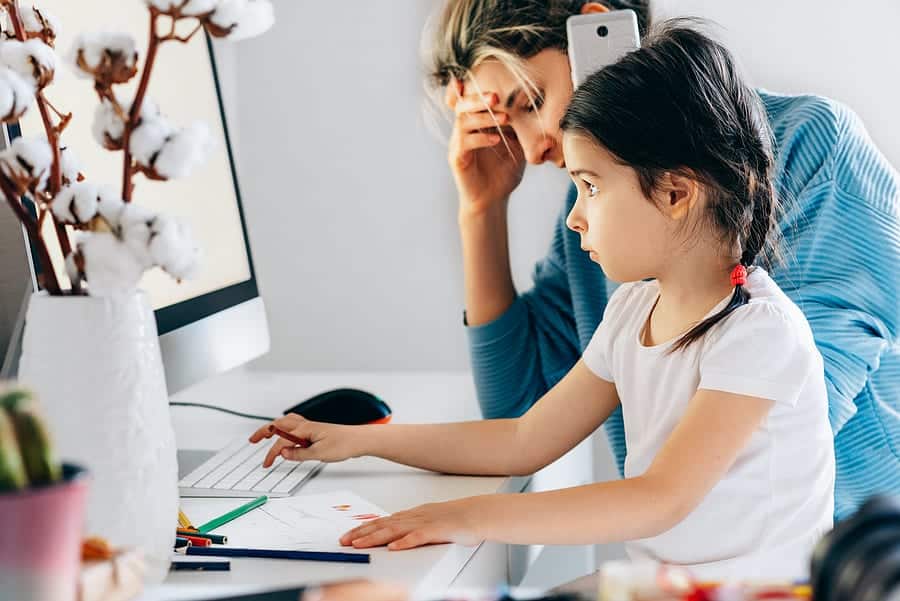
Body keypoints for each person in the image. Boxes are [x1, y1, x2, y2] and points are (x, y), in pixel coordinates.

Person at [250, 25, 836, 581]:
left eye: (592, 185)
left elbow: (659, 499)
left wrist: (469, 515)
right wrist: (360, 440)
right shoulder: (634, 310)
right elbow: (524, 439)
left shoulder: (760, 333)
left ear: (676, 192)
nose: (575, 217)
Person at [427, 0, 900, 521]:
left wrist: (466, 516)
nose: (531, 149)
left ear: (597, 32)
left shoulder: (814, 145)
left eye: (532, 101)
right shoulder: (602, 215)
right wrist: (481, 210)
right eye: (503, 127)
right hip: (704, 559)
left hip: (853, 557)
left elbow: (759, 442)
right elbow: (522, 414)